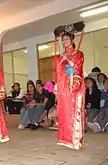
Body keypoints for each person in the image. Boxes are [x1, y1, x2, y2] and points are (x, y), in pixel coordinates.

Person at [54, 22, 85, 150]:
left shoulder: (78, 54)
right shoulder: (60, 57)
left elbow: (78, 70)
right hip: (63, 89)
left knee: (74, 114)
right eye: (63, 40)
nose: (64, 41)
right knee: (63, 114)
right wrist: (57, 88)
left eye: (67, 39)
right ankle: (64, 139)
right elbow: (58, 73)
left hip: (73, 87)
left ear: (72, 40)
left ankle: (76, 140)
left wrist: (73, 83)